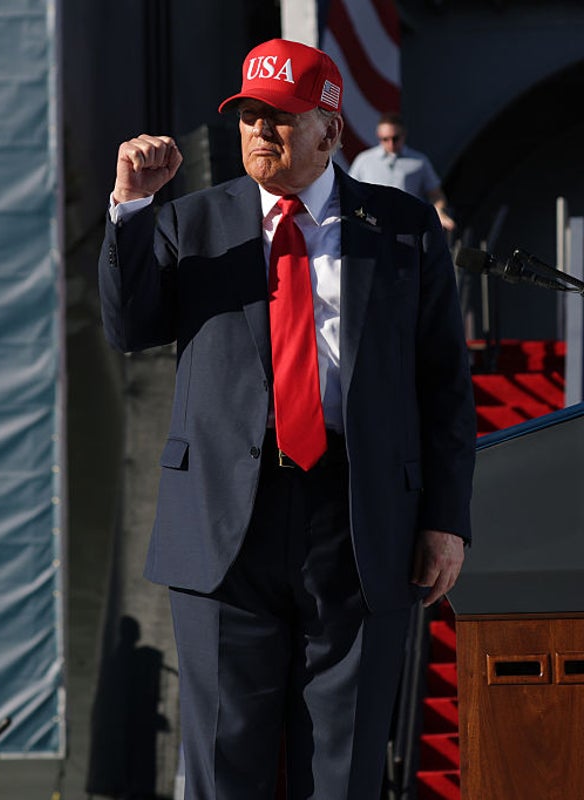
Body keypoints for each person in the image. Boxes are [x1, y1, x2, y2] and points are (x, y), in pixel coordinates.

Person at [99, 38, 476, 799]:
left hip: (360, 522)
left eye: (280, 118)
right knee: (221, 763)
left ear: (331, 132)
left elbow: (443, 383)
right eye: (248, 117)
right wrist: (133, 206)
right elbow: (128, 326)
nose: (259, 132)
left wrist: (446, 518)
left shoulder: (402, 228)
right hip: (221, 528)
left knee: (343, 770)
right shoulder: (192, 222)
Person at [348, 112, 456, 232]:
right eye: (385, 139)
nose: (391, 144)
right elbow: (350, 194)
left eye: (395, 138)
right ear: (378, 136)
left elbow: (435, 194)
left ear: (404, 135)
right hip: (371, 228)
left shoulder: (419, 161)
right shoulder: (364, 160)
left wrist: (439, 212)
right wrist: (365, 219)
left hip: (407, 229)